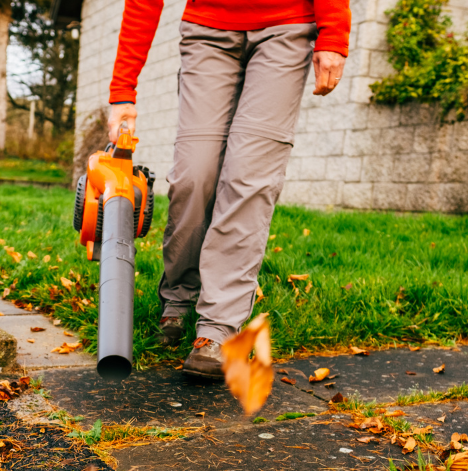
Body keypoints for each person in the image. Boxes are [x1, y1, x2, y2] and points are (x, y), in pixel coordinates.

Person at [106, 0, 349, 381]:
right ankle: (179, 296)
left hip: (287, 26)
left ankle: (217, 326)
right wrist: (123, 90)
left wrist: (333, 33)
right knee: (193, 175)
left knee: (247, 178)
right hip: (207, 29)